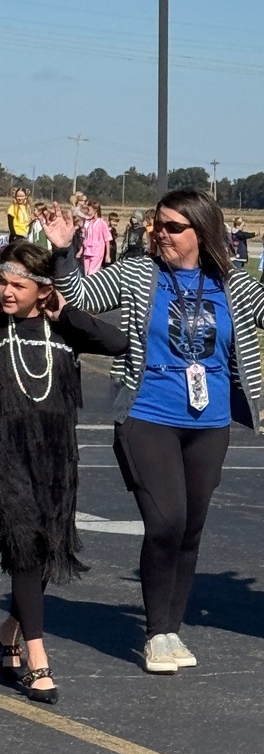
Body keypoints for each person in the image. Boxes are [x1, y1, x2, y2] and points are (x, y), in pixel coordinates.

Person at [42, 189, 264, 674]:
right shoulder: (139, 273)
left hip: (209, 424)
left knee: (190, 529)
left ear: (200, 232)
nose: (159, 234)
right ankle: (155, 632)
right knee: (165, 520)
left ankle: (171, 629)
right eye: (156, 225)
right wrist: (64, 250)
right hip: (148, 415)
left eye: (171, 227)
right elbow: (81, 296)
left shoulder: (230, 282)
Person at [0, 241, 128, 704]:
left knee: (47, 550)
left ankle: (10, 631)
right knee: (26, 551)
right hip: (5, 456)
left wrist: (65, 312)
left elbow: (116, 342)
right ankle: (37, 659)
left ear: (41, 289)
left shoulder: (63, 330)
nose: (7, 292)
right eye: (2, 282)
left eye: (17, 284)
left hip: (55, 460)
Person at [81, 200, 112, 275]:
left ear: (95, 210)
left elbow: (107, 239)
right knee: (86, 273)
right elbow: (84, 236)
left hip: (97, 252)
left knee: (92, 273)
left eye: (89, 210)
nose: (87, 212)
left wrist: (107, 255)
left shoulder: (102, 223)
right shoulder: (88, 222)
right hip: (87, 251)